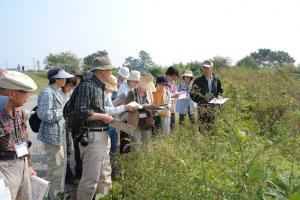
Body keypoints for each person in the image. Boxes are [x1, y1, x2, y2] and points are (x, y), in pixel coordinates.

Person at [74, 56, 115, 199]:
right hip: (92, 135)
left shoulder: (99, 86)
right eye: (110, 70)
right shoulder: (87, 86)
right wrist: (103, 117)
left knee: (105, 174)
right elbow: (81, 112)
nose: (111, 73)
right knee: (91, 178)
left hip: (102, 134)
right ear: (103, 71)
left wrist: (105, 117)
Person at [37, 67, 73, 200]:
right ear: (56, 79)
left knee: (60, 166)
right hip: (52, 137)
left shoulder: (56, 92)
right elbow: (43, 114)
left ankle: (58, 193)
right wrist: (62, 111)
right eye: (63, 78)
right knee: (55, 168)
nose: (65, 80)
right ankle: (54, 196)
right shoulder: (47, 92)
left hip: (59, 134)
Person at [0, 70, 38, 199]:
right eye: (25, 93)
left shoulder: (19, 113)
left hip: (21, 164)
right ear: (12, 94)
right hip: (4, 169)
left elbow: (22, 141)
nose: (28, 98)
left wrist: (28, 165)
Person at [103, 75, 134, 179]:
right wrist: (122, 107)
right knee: (109, 152)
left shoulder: (107, 94)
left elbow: (111, 108)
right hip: (106, 127)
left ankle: (113, 173)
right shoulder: (102, 95)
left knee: (113, 150)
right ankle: (111, 174)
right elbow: (106, 110)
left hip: (112, 125)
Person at [190, 60, 223, 132]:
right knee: (202, 127)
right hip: (202, 108)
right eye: (204, 68)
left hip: (213, 107)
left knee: (212, 126)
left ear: (212, 68)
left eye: (207, 68)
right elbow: (192, 93)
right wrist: (200, 101)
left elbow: (220, 90)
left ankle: (211, 141)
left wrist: (219, 96)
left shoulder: (216, 79)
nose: (205, 70)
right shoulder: (198, 80)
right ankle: (203, 142)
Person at [125, 73, 155, 151]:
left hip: (146, 121)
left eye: (148, 84)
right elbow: (127, 108)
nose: (146, 86)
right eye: (145, 84)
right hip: (134, 123)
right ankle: (136, 162)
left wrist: (152, 108)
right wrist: (140, 106)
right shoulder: (131, 92)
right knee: (136, 146)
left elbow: (152, 106)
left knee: (147, 145)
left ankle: (146, 162)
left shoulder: (149, 93)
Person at [61, 77, 78, 184]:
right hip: (63, 124)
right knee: (68, 149)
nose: (70, 88)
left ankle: (69, 174)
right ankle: (68, 175)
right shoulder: (59, 94)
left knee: (70, 149)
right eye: (69, 85)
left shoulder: (71, 93)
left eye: (72, 86)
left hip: (71, 123)